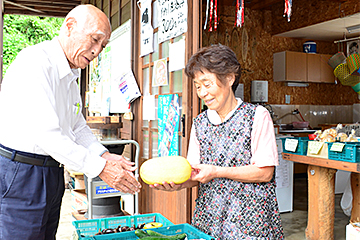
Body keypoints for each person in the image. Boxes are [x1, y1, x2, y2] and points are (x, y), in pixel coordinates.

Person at [0, 5, 141, 240]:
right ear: (69, 26)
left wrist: (103, 156)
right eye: (94, 40)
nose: (97, 51)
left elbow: (76, 127)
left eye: (102, 46)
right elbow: (48, 136)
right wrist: (101, 168)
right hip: (22, 173)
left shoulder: (70, 74)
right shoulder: (35, 63)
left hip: (51, 171)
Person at [150, 44, 284, 239]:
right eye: (197, 86)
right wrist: (179, 184)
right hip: (210, 218)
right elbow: (195, 172)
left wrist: (216, 171)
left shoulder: (256, 116)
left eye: (207, 84)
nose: (202, 92)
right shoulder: (199, 123)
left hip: (250, 221)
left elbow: (265, 172)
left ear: (230, 77)